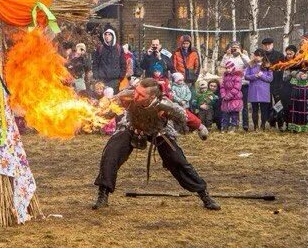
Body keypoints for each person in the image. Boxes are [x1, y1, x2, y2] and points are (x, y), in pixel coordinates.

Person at [92, 78, 219, 211]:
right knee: (111, 152)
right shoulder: (127, 97)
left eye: (141, 94)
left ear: (152, 96)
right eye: (136, 91)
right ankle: (103, 194)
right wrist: (94, 115)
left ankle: (204, 194)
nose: (136, 95)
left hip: (159, 132)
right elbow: (108, 112)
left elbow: (184, 115)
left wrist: (200, 126)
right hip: (131, 128)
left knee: (177, 160)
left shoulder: (164, 105)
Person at [219, 41, 250, 131]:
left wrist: (241, 54)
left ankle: (245, 124)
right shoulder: (229, 57)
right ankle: (231, 124)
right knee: (230, 105)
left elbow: (249, 64)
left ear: (240, 48)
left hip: (243, 83)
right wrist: (226, 55)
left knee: (244, 106)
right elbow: (223, 67)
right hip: (229, 84)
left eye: (237, 47)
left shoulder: (244, 56)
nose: (234, 49)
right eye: (233, 47)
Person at [245, 49, 273, 131]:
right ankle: (255, 126)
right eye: (255, 55)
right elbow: (246, 76)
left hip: (264, 90)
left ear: (262, 56)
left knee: (264, 110)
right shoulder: (250, 65)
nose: (256, 57)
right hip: (253, 89)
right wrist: (255, 76)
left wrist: (262, 76)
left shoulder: (268, 65)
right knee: (255, 109)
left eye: (258, 56)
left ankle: (263, 125)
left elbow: (270, 79)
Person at [91, 26, 126, 93]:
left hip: (115, 80)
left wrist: (121, 76)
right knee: (102, 99)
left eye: (109, 34)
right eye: (106, 34)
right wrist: (96, 75)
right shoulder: (100, 48)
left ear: (113, 36)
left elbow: (123, 63)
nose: (107, 36)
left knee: (113, 99)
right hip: (102, 79)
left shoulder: (119, 48)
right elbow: (95, 63)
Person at [261, 37, 284, 128]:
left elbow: (282, 69)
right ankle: (271, 122)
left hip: (277, 82)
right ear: (263, 46)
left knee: (279, 103)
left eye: (269, 45)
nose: (267, 46)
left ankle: (280, 121)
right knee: (268, 103)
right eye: (265, 45)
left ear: (272, 44)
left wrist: (271, 67)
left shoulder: (279, 55)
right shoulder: (260, 55)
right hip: (265, 83)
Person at [220, 60, 244, 132]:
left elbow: (237, 88)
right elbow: (222, 86)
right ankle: (225, 126)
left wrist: (229, 95)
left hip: (235, 98)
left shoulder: (237, 77)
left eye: (229, 68)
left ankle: (234, 126)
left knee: (234, 113)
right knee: (225, 114)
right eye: (226, 68)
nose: (228, 69)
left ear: (233, 68)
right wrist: (223, 95)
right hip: (226, 98)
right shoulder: (225, 77)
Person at [277, 45, 297, 131]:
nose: (289, 56)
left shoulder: (298, 62)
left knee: (294, 107)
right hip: (283, 88)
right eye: (287, 54)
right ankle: (285, 124)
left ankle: (294, 125)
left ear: (295, 53)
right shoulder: (282, 62)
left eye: (291, 54)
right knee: (283, 107)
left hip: (295, 88)